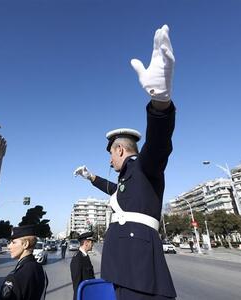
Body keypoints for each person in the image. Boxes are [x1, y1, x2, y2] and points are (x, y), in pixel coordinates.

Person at [74, 25, 176, 299]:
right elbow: (115, 191)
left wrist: (160, 103)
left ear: (120, 150)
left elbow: (159, 144)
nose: (110, 159)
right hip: (122, 268)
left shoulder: (144, 166)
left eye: (111, 154)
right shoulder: (129, 178)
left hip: (139, 271)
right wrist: (91, 177)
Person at [0, 224, 48, 300]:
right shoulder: (41, 269)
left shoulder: (15, 276)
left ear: (25, 244)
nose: (9, 246)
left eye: (13, 242)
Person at [70, 232, 95, 300]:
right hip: (83, 296)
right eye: (91, 242)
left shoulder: (85, 256)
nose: (93, 244)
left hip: (89, 294)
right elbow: (77, 284)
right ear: (86, 243)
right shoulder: (77, 258)